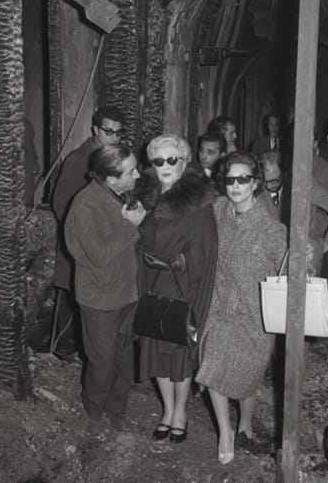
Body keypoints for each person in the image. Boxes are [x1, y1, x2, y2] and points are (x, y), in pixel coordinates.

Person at [195, 151, 287, 465]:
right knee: (213, 364)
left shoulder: (272, 230)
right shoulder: (219, 209)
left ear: (256, 182)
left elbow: (291, 267)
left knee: (248, 375)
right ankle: (225, 430)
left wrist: (305, 258)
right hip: (219, 307)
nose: (235, 186)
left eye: (243, 179)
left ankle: (245, 422)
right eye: (230, 180)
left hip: (254, 313)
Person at [137, 135, 218, 445]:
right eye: (159, 161)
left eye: (173, 160)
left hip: (183, 287)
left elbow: (207, 249)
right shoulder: (145, 198)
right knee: (155, 350)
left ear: (184, 163)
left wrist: (182, 263)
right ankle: (167, 411)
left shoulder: (198, 203)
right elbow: (138, 238)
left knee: (179, 354)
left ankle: (181, 413)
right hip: (151, 282)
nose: (166, 166)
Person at [64, 145, 145, 431]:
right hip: (100, 299)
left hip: (124, 294)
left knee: (123, 358)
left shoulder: (115, 194)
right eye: (130, 171)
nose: (137, 173)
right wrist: (131, 225)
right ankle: (93, 414)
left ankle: (116, 410)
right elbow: (99, 254)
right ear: (110, 178)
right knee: (102, 362)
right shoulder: (86, 205)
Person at [51, 107, 125, 294]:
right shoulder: (77, 160)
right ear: (95, 130)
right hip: (82, 248)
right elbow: (60, 204)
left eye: (118, 133)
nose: (114, 138)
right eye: (108, 132)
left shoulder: (118, 160)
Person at [258, 149, 328, 277]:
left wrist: (327, 244)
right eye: (265, 181)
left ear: (285, 174)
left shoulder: (304, 185)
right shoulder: (256, 186)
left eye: (274, 181)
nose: (268, 186)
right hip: (270, 262)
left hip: (306, 261)